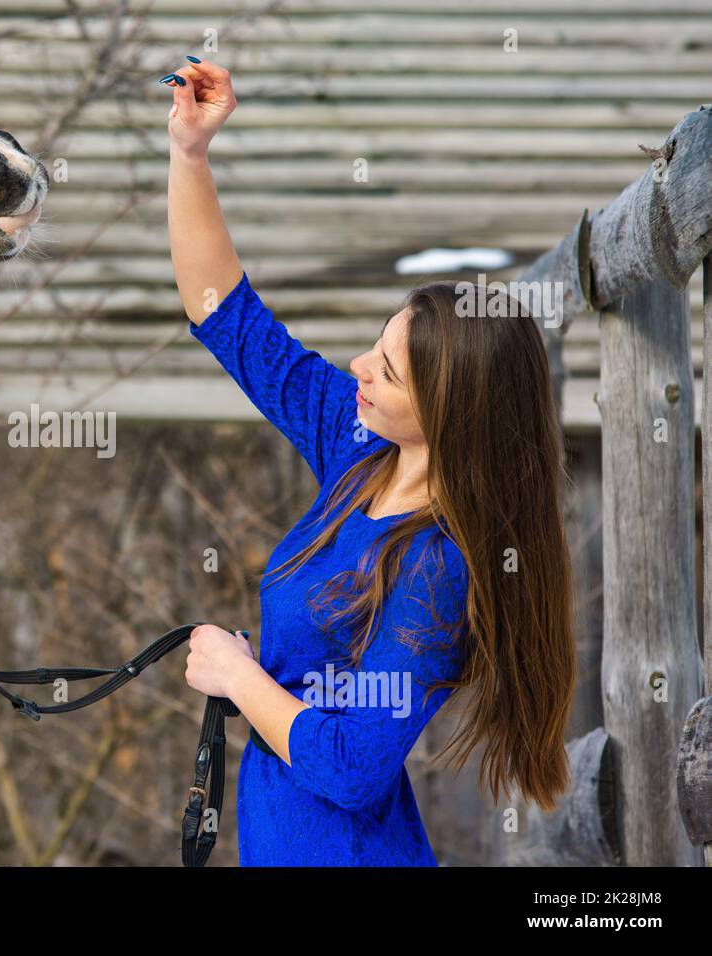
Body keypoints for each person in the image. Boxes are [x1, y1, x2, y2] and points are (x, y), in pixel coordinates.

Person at [162, 58, 576, 865]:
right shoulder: (361, 450)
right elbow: (229, 318)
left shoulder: (440, 565)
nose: (357, 366)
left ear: (449, 418)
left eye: (386, 371)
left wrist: (239, 678)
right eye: (376, 347)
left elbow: (352, 768)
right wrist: (190, 157)